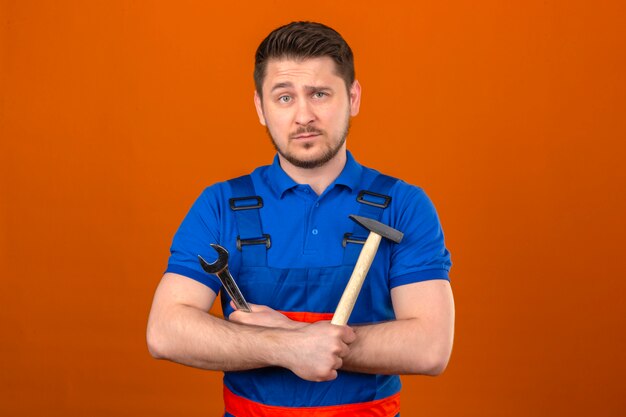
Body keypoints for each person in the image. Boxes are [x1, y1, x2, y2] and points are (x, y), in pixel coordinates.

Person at [147, 21, 454, 417]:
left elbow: (430, 347)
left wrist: (288, 332)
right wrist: (288, 344)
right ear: (260, 107)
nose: (303, 116)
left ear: (353, 97)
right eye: (284, 97)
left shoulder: (404, 204)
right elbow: (165, 332)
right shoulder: (220, 204)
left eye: (320, 94)